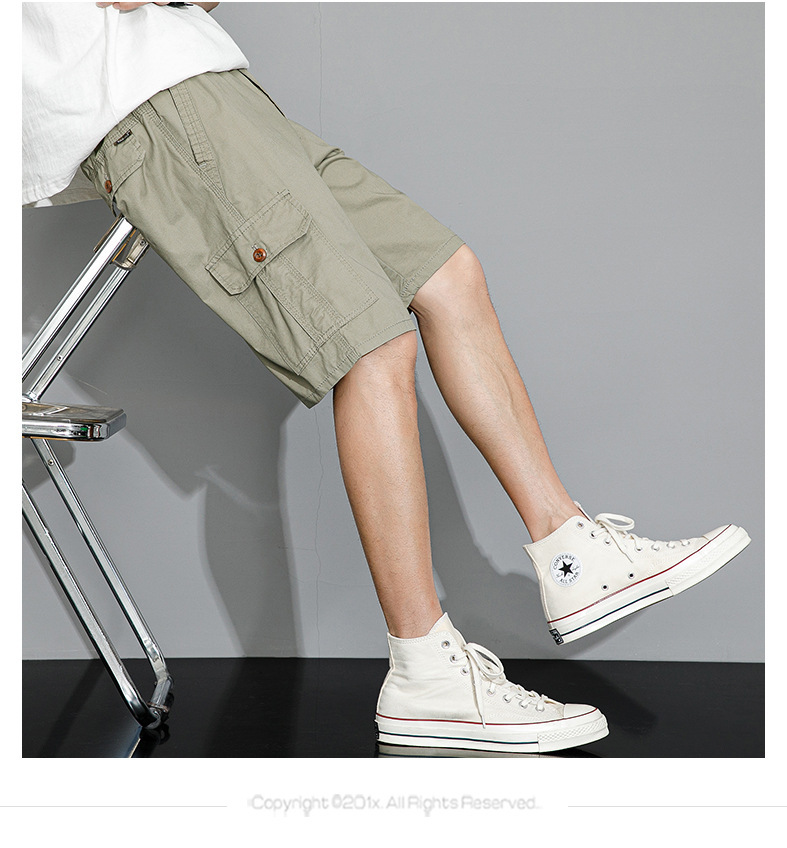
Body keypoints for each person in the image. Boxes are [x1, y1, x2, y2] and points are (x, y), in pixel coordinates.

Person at [23, 2, 750, 755]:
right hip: (153, 104)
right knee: (371, 346)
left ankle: (574, 554)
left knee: (447, 275)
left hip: (209, 88)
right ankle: (425, 670)